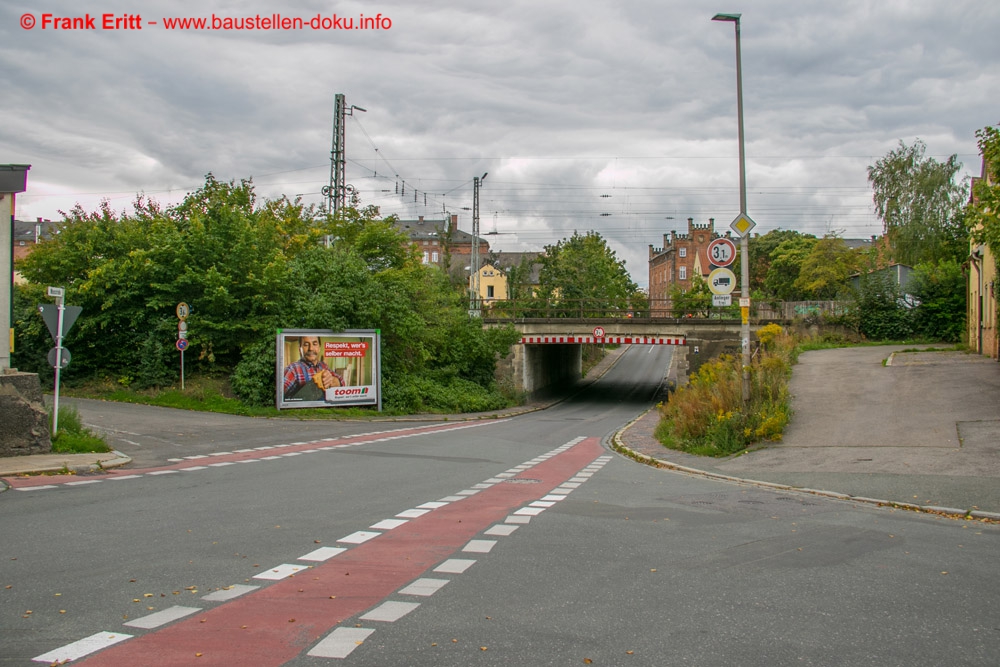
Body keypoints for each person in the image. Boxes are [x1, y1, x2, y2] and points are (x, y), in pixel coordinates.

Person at [282, 335, 343, 400]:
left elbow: (342, 380)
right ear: (300, 349)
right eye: (306, 344)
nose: (311, 348)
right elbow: (279, 395)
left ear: (319, 348)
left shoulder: (323, 366)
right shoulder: (293, 369)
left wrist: (335, 381)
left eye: (314, 344)